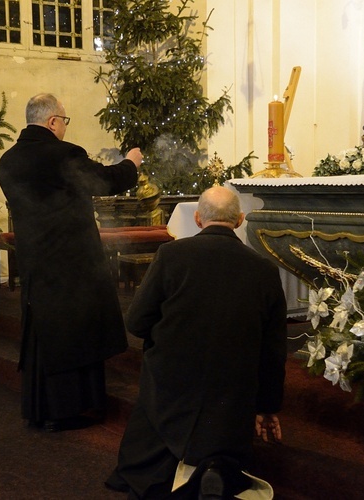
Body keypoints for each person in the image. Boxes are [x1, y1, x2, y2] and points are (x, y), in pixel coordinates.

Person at [106, 186, 288, 499]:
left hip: (172, 382)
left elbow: (136, 321)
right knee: (226, 410)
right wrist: (267, 407)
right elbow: (273, 350)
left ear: (197, 218)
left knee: (155, 432)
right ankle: (217, 467)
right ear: (241, 220)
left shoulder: (171, 255)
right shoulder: (265, 270)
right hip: (231, 388)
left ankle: (169, 472)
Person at [0, 93, 142, 432]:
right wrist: (131, 163)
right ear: (52, 121)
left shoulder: (8, 160)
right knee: (74, 334)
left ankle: (41, 408)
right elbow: (104, 181)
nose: (64, 127)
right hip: (71, 260)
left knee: (44, 336)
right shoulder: (62, 154)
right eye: (64, 120)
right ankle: (68, 409)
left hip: (34, 259)